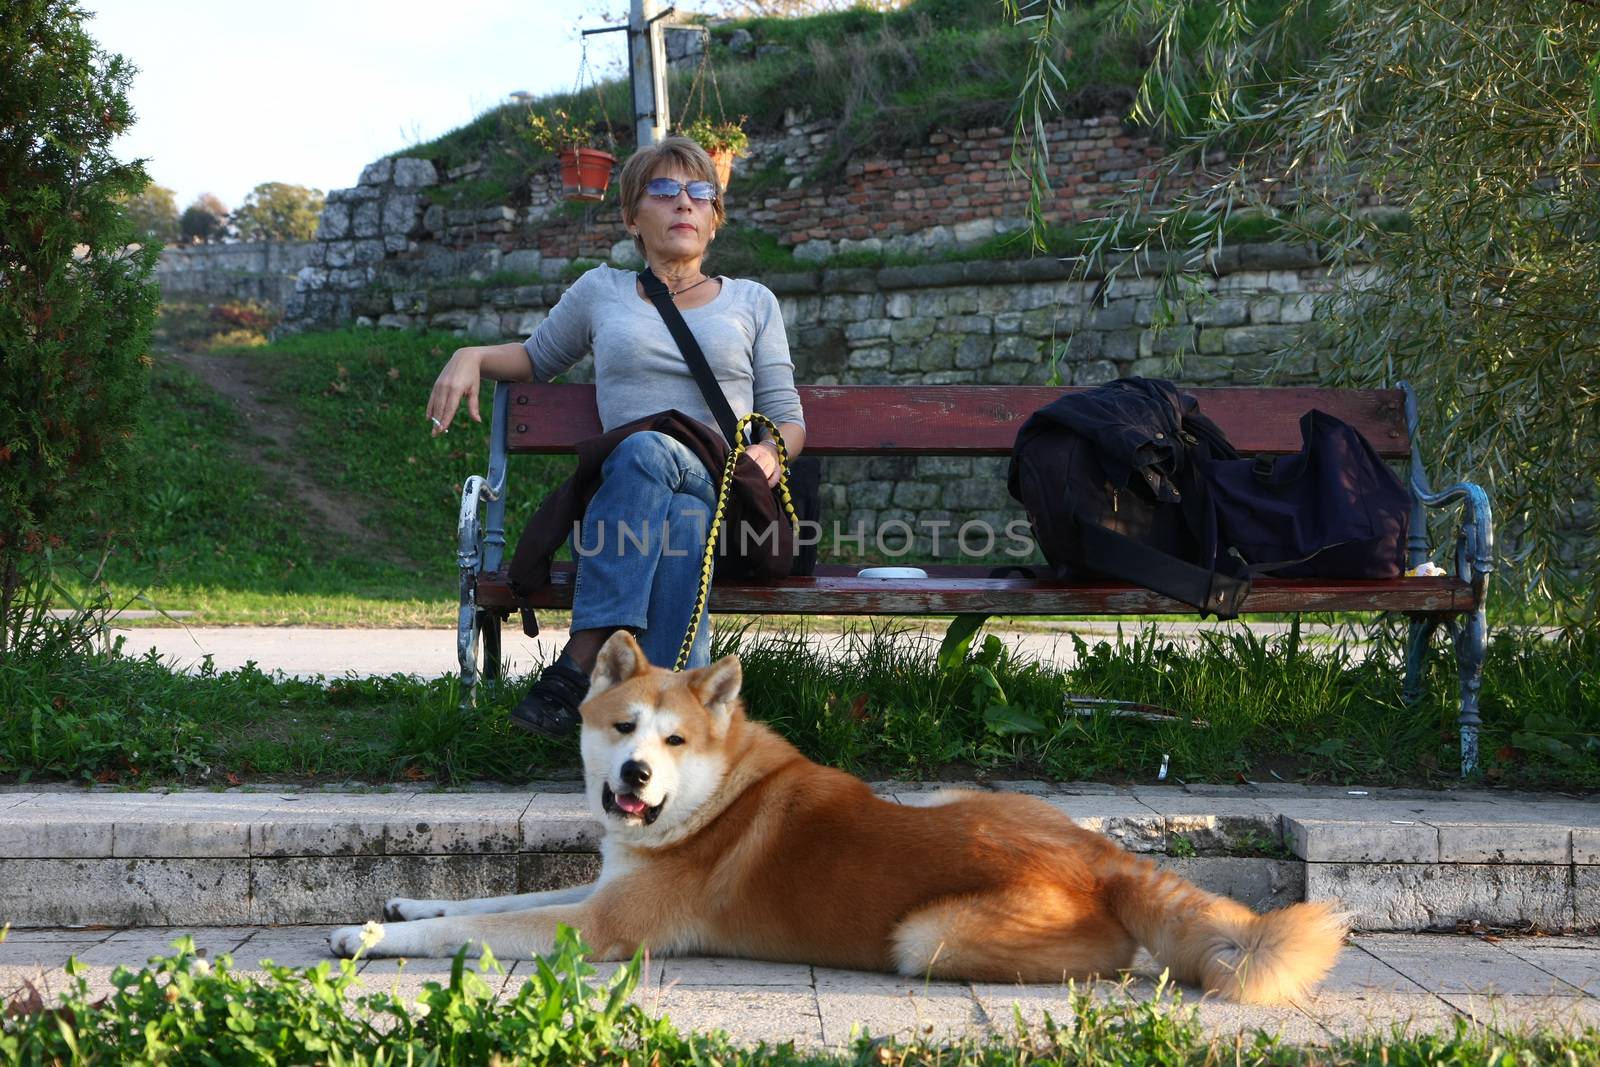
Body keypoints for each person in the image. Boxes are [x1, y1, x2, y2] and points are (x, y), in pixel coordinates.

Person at [424, 136, 807, 737]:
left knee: (647, 448)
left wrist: (769, 450)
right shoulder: (600, 292)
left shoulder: (752, 302)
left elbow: (787, 415)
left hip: (723, 489)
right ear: (633, 216)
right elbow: (536, 358)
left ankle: (580, 661)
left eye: (699, 192)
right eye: (663, 190)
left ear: (713, 219)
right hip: (639, 508)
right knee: (672, 509)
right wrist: (470, 353)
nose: (684, 202)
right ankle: (669, 724)